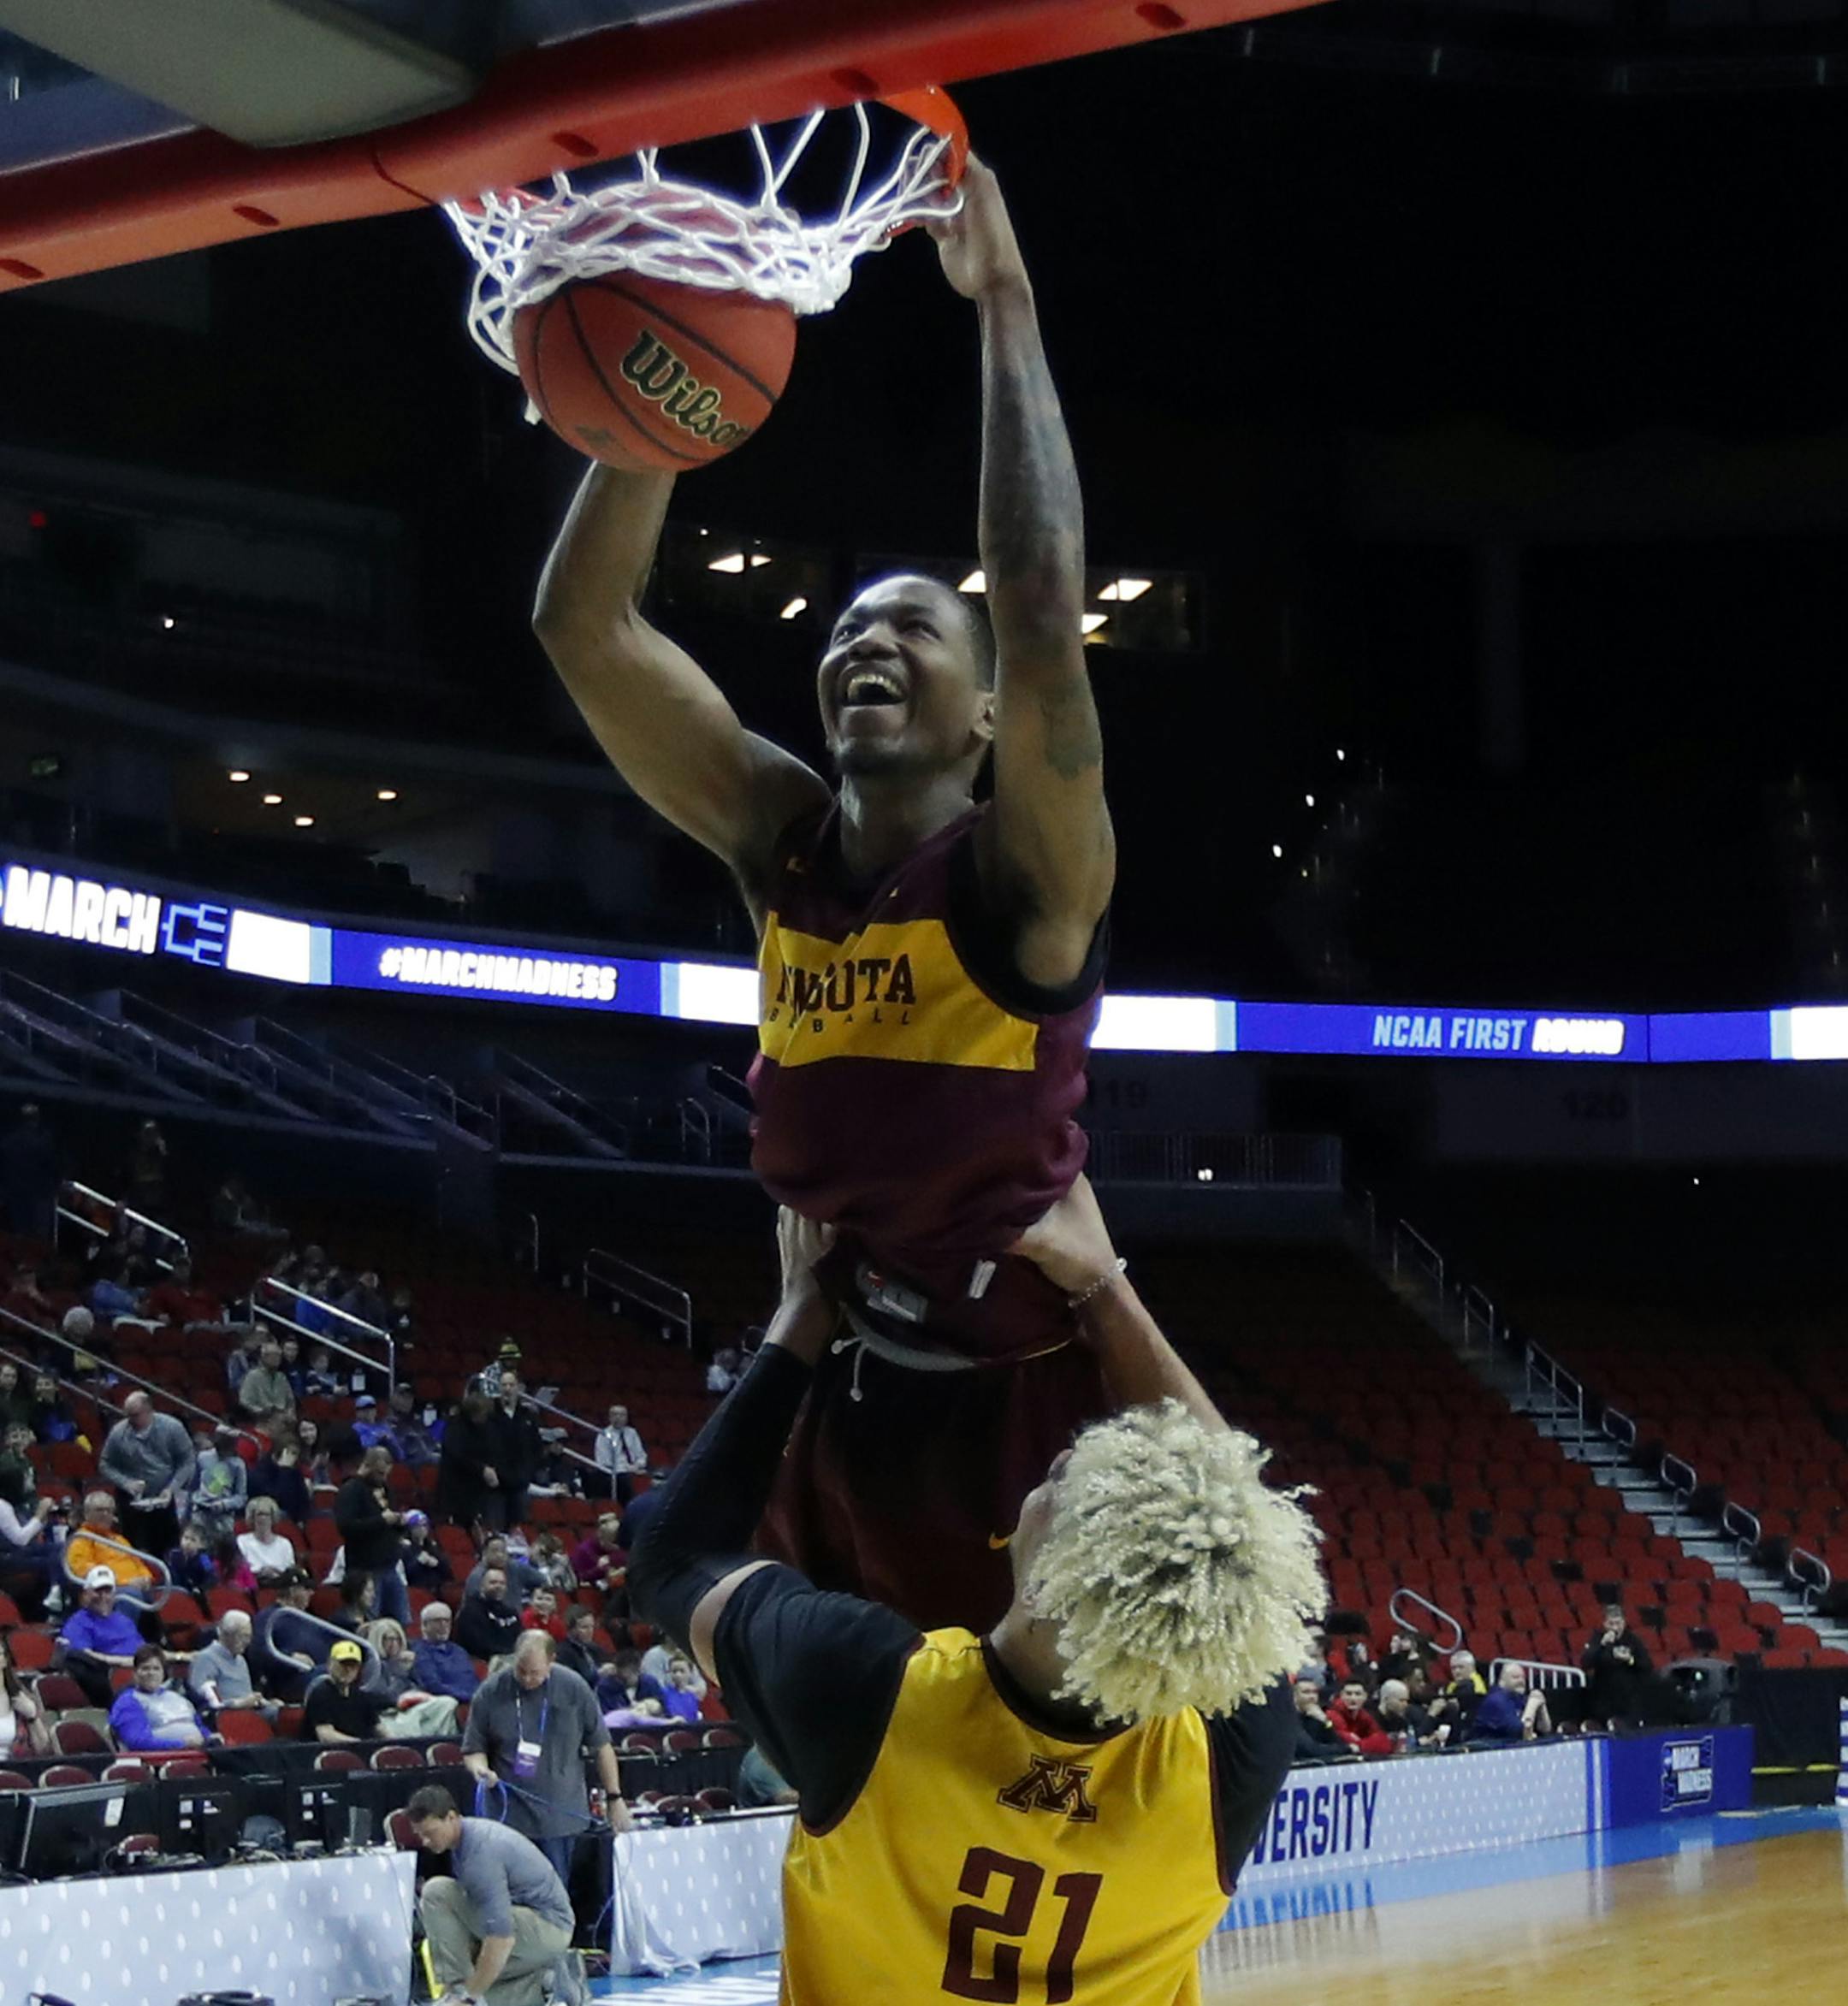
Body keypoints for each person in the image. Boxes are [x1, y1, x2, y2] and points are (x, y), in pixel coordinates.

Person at [536, 161, 1116, 1635]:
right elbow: (584, 625)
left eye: (914, 629)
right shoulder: (775, 839)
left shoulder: (1023, 874)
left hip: (1022, 1401)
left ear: (985, 719)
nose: (867, 640)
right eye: (848, 626)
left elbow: (1041, 613)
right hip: (838, 1379)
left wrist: (1009, 304)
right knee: (841, 1785)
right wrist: (660, 402)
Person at [629, 1181, 1319, 2003]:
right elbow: (1238, 1545)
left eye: (1063, 1476)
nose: (1053, 1464)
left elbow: (671, 1556)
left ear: (1047, 1578)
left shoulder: (875, 1695)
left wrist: (803, 1309)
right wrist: (1101, 1286)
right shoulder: (1223, 1764)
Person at [462, 1630, 629, 1883]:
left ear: (551, 1661)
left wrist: (615, 1797)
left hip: (560, 1817)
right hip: (508, 1816)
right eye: (521, 1670)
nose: (527, 1679)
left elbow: (602, 1746)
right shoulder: (491, 1691)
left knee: (554, 1892)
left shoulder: (574, 1687)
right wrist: (480, 1770)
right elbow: (474, 1748)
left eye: (535, 1673)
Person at [407, 1784, 584, 2006]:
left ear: (451, 1817)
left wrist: (466, 1997)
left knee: (437, 1892)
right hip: (546, 1928)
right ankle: (545, 1983)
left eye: (430, 1833)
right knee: (481, 1975)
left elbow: (501, 1938)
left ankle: (455, 1990)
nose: (425, 1841)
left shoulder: (480, 1854)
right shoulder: (469, 1839)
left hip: (547, 1925)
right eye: (420, 1835)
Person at [98, 1390, 195, 1559]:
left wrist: (172, 1488)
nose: (130, 1420)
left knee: (168, 1548)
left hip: (163, 1499)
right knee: (134, 1550)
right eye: (127, 1415)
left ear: (150, 1411)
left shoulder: (172, 1427)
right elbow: (105, 1464)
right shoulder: (119, 1432)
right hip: (131, 1502)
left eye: (134, 1416)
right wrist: (126, 1482)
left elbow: (187, 1461)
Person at [59, 1565, 162, 1705]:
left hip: (145, 1675)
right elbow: (82, 1658)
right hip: (113, 1686)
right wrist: (123, 1661)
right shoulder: (78, 1623)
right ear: (85, 1594)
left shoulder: (124, 1620)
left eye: (108, 1591)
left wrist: (181, 1656)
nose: (103, 1597)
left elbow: (146, 1653)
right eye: (97, 1591)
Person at [335, 1441, 411, 1624]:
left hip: (390, 1567)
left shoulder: (386, 1490)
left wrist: (400, 1523)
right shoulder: (351, 1490)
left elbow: (389, 1521)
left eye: (386, 1474)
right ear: (367, 1466)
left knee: (400, 1620)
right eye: (379, 1473)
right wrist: (382, 1521)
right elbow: (346, 1527)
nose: (383, 1478)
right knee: (369, 1620)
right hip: (365, 1569)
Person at [364, 1618, 463, 1737]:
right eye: (389, 1639)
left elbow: (420, 1688)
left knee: (448, 1703)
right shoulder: (373, 1664)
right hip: (389, 1714)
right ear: (378, 1640)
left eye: (398, 1639)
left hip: (413, 1708)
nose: (394, 1644)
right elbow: (381, 1698)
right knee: (409, 1724)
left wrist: (411, 1671)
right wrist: (400, 1674)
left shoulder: (405, 1661)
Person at [0, 1423, 61, 1618]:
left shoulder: (24, 1461)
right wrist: (39, 1514)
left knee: (58, 1548)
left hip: (13, 1546)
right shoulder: (3, 1506)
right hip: (5, 1555)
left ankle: (55, 1592)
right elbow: (21, 1539)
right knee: (47, 1562)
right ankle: (49, 1606)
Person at [65, 1489, 161, 1606]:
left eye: (109, 1510)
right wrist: (126, 1582)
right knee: (131, 1596)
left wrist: (146, 1578)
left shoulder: (119, 1539)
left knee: (172, 1593)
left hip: (137, 1586)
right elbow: (85, 1571)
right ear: (87, 1514)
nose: (105, 1514)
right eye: (99, 1510)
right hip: (108, 1590)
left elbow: (138, 1563)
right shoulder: (82, 1538)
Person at [110, 1643, 210, 1750]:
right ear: (135, 1673)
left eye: (156, 1669)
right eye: (145, 1669)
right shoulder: (129, 1702)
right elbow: (137, 1742)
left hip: (199, 1754)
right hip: (161, 1761)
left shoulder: (178, 1698)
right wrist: (181, 1744)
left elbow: (199, 1727)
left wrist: (209, 1737)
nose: (151, 1673)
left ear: (163, 1674)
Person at [188, 1608, 278, 1722]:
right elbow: (208, 1702)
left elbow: (246, 1696)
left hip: (250, 1712)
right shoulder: (205, 1659)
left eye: (249, 1637)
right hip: (227, 1717)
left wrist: (264, 1702)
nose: (248, 1642)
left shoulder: (241, 1660)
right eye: (244, 1636)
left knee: (285, 1713)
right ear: (227, 1635)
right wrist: (239, 1703)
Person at [250, 1568, 323, 1701]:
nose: (311, 1593)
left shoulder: (308, 1618)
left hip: (314, 1672)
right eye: (306, 1589)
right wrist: (290, 1657)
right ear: (292, 1590)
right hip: (287, 1681)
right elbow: (258, 1651)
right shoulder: (270, 1617)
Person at [302, 1636, 390, 1743]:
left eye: (353, 1666)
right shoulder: (320, 1694)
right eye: (343, 1664)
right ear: (330, 1664)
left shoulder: (360, 1696)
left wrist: (396, 1742)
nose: (348, 1669)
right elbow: (326, 1735)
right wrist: (360, 1744)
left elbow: (378, 1728)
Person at [1583, 1603, 1656, 1727]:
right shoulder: (1598, 1639)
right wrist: (1602, 1645)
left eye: (1618, 1623)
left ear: (1624, 1623)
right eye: (1611, 1624)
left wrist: (1630, 1660)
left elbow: (1647, 1666)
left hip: (1628, 1701)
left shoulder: (1633, 1640)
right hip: (1604, 1700)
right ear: (1605, 1624)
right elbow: (1586, 1663)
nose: (1615, 1628)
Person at [485, 1373, 542, 1531]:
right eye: (504, 1385)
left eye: (511, 1385)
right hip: (495, 1484)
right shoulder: (489, 1413)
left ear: (518, 1388)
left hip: (519, 1483)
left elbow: (536, 1447)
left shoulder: (528, 1415)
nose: (507, 1389)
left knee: (518, 1531)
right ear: (499, 1388)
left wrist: (528, 1472)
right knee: (496, 1529)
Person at [438, 1388, 498, 1530]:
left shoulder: (485, 1428)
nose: (485, 1418)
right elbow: (458, 1455)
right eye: (482, 1414)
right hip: (455, 1488)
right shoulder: (455, 1426)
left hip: (477, 1487)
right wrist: (482, 1469)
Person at [0, 1102, 57, 1238]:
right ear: (36, 1119)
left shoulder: (8, 1142)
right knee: (38, 1234)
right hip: (38, 1193)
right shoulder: (44, 1141)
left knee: (21, 1231)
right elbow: (51, 1164)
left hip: (16, 1191)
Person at [413, 1599, 483, 1704]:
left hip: (471, 1700)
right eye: (438, 1621)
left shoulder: (459, 1651)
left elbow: (473, 1680)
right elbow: (433, 1685)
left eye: (447, 1621)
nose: (443, 1625)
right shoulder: (420, 1651)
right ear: (425, 1625)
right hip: (444, 1702)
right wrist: (468, 1697)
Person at [1471, 1662, 1554, 1744]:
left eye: (1523, 1677)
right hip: (1488, 1751)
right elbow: (1520, 1733)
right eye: (1515, 1677)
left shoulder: (1519, 1697)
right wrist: (1532, 1705)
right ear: (1502, 1682)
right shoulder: (1495, 1700)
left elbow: (1545, 1730)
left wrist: (1542, 1707)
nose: (1521, 1681)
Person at [189, 1423, 247, 1539]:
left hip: (223, 1517)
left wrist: (224, 1504)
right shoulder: (203, 1457)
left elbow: (241, 1497)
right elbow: (193, 1487)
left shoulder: (238, 1465)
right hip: (200, 1513)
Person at [456, 1563, 523, 1663]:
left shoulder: (511, 1612)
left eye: (502, 1583)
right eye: (493, 1582)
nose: (498, 1586)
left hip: (512, 1659)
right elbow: (478, 1647)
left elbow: (520, 1639)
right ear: (482, 1585)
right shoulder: (470, 1611)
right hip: (485, 1662)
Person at [0, 1630, 52, 1758]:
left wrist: (33, 1717)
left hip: (18, 1770)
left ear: (5, 1661)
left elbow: (44, 1751)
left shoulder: (23, 1698)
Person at [144, 1256, 223, 1334]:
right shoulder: (164, 1290)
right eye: (179, 1268)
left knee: (234, 1328)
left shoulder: (203, 1290)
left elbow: (216, 1308)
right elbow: (153, 1307)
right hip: (185, 1328)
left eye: (186, 1268)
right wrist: (159, 1315)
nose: (182, 1271)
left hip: (211, 1326)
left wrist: (216, 1321)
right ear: (174, 1270)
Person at [466, 1536, 546, 1606]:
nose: (500, 1555)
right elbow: (472, 1606)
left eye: (503, 1551)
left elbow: (543, 1581)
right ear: (485, 1554)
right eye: (495, 1551)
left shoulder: (515, 1567)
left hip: (515, 1618)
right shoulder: (476, 1576)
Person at [249, 1439, 311, 1529]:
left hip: (293, 1524)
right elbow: (280, 1501)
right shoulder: (258, 1473)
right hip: (270, 1522)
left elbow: (303, 1502)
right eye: (292, 1454)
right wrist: (284, 1470)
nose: (294, 1459)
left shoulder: (293, 1471)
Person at [236, 1494, 297, 1584]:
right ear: (252, 1518)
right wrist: (262, 1572)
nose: (263, 1518)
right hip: (255, 1585)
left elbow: (291, 1571)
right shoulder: (242, 1541)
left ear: (273, 1518)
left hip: (281, 1585)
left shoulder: (285, 1543)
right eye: (259, 1514)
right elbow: (241, 1572)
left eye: (267, 1514)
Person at [592, 1404, 647, 1504]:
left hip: (633, 1469)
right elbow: (604, 1462)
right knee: (626, 1481)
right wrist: (627, 1469)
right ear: (610, 1417)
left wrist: (637, 1465)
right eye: (615, 1414)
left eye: (622, 1415)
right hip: (615, 1473)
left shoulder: (632, 1433)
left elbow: (641, 1455)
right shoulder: (604, 1435)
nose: (619, 1417)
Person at [568, 1514, 625, 1609]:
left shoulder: (617, 1549)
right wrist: (602, 1569)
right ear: (602, 1539)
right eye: (614, 1543)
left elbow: (626, 1557)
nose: (618, 1547)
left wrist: (611, 1560)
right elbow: (582, 1577)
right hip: (597, 1594)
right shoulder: (584, 1550)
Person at [1326, 1676, 1393, 1757]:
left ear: (1365, 1697)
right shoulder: (1332, 1714)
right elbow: (1344, 1741)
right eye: (1348, 1694)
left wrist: (1360, 1745)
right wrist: (1370, 1743)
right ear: (1341, 1696)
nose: (1353, 1698)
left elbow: (1384, 1742)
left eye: (1358, 1694)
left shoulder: (1365, 1715)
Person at [238, 1337, 296, 1427]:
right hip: (262, 1419)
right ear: (263, 1357)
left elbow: (290, 1401)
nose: (277, 1359)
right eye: (274, 1355)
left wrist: (290, 1413)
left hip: (282, 1419)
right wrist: (261, 1412)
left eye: (279, 1356)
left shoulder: (281, 1377)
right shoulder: (253, 1376)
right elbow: (245, 1402)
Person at [1291, 1674, 1348, 1761]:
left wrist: (1326, 1721)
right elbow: (1310, 1750)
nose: (1312, 1696)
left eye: (1315, 1692)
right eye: (1306, 1692)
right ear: (1294, 1695)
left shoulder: (1317, 1716)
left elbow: (1339, 1744)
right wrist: (1346, 1748)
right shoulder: (1289, 1720)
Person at [1376, 1677, 1439, 1751]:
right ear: (1386, 1699)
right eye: (1401, 1700)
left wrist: (1423, 1742)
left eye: (1406, 1701)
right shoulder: (1372, 1719)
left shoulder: (1401, 1721)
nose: (1405, 1705)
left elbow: (1410, 1743)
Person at [554, 1606, 604, 1691]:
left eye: (592, 1626)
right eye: (584, 1627)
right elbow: (572, 1684)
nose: (590, 1631)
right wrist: (599, 1674)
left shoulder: (594, 1648)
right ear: (571, 1629)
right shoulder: (563, 1652)